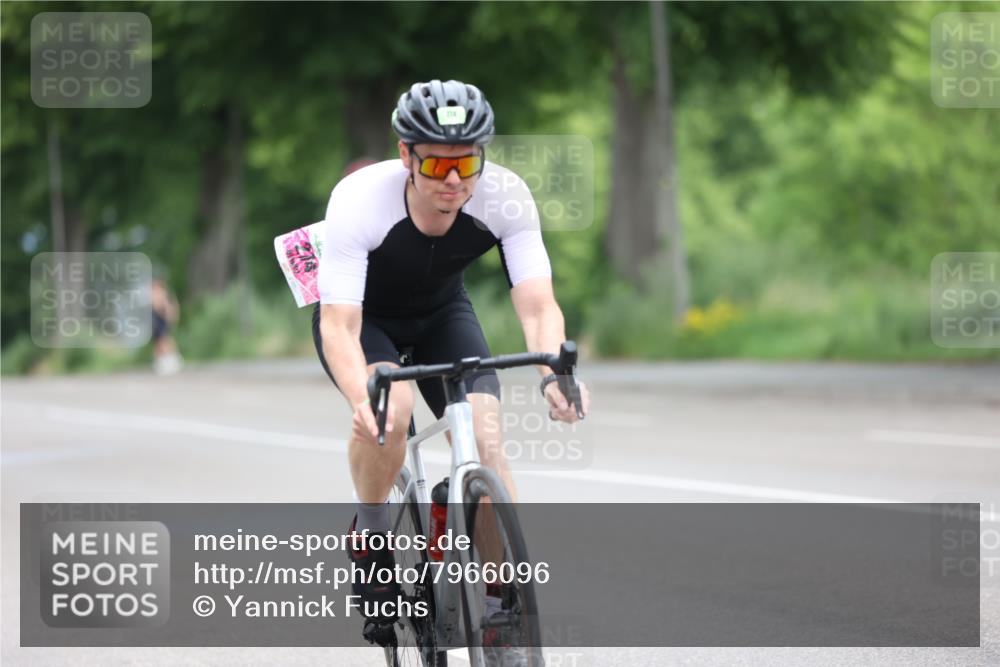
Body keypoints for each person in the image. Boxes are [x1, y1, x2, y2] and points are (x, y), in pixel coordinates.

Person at [312, 79, 590, 659]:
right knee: (395, 412)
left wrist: (554, 376)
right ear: (405, 155)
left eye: (467, 162)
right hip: (367, 321)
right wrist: (363, 400)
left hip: (442, 314)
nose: (454, 180)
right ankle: (369, 533)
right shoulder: (360, 200)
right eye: (437, 163)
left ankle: (500, 609)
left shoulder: (505, 197)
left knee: (487, 441)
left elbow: (538, 304)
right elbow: (338, 324)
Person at [151, 277, 182, 375]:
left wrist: (170, 317)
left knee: (164, 340)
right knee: (160, 342)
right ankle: (161, 362)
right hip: (157, 321)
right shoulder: (156, 294)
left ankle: (172, 361)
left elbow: (167, 309)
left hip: (161, 321)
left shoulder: (162, 294)